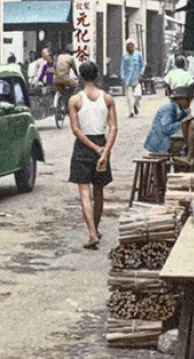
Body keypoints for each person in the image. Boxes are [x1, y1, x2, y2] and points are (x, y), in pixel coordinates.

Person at [68, 61, 118, 250]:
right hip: (101, 143)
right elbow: (113, 127)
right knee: (99, 191)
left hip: (83, 148)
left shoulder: (75, 100)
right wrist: (104, 151)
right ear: (97, 76)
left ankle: (92, 234)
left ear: (80, 77)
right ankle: (95, 230)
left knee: (84, 193)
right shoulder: (107, 99)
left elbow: (76, 130)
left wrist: (94, 149)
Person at [144, 86, 193, 154]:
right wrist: (184, 121)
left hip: (167, 140)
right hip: (161, 143)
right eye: (188, 100)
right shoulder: (168, 109)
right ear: (179, 99)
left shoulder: (181, 111)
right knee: (190, 146)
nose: (189, 103)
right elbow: (167, 129)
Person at [120, 39, 145, 118]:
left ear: (134, 46)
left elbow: (143, 65)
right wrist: (122, 77)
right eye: (128, 46)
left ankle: (135, 105)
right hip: (128, 79)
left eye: (131, 46)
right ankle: (131, 112)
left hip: (137, 78)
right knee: (129, 97)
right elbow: (122, 67)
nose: (130, 48)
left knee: (138, 95)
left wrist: (141, 73)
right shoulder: (125, 56)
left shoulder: (138, 54)